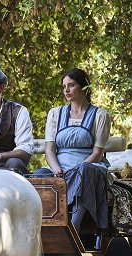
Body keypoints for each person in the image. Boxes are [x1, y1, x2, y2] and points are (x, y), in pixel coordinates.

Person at [33, 68, 113, 233]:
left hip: (89, 166)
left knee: (83, 172)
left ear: (83, 87)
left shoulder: (100, 115)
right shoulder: (56, 114)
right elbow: (49, 150)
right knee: (40, 174)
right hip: (60, 169)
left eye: (71, 85)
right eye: (64, 86)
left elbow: (97, 153)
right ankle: (43, 232)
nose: (66, 90)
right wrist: (56, 169)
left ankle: (72, 231)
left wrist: (77, 170)